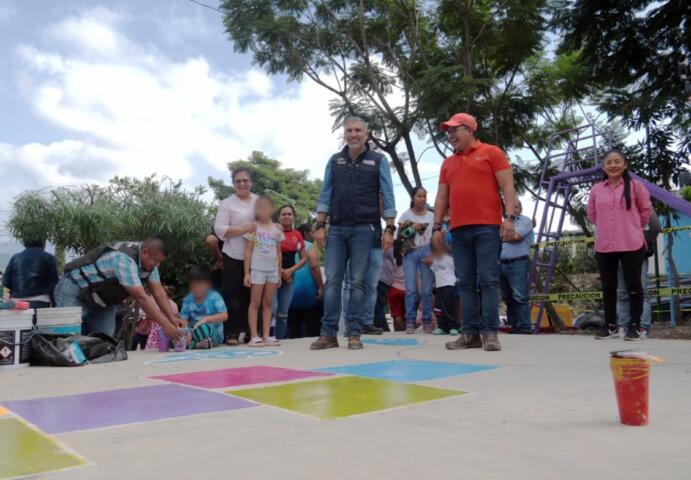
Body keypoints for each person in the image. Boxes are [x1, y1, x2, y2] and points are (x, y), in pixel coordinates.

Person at [433, 112, 518, 352]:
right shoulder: (448, 163)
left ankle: (490, 333)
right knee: (465, 282)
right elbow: (441, 196)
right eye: (448, 131)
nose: (450, 135)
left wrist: (509, 218)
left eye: (454, 130)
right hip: (458, 229)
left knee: (489, 280)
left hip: (487, 226)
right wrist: (437, 227)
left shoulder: (492, 153)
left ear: (469, 129)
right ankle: (469, 334)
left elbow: (508, 186)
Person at [311, 116, 396, 350]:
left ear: (366, 134)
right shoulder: (335, 160)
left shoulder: (379, 160)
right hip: (337, 228)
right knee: (332, 282)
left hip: (365, 229)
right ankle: (328, 334)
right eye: (349, 130)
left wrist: (389, 228)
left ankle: (355, 333)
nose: (354, 134)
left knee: (358, 283)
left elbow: (388, 194)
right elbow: (325, 192)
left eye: (358, 130)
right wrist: (320, 225)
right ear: (344, 134)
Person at [54, 237, 181, 341]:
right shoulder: (124, 259)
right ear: (145, 252)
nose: (157, 265)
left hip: (101, 299)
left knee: (105, 340)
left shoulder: (149, 264)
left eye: (160, 262)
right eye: (156, 260)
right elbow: (141, 297)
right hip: (74, 289)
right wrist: (164, 324)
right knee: (68, 339)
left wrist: (172, 318)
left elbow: (158, 292)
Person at [587, 149, 652, 341]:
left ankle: (635, 327)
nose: (613, 165)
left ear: (625, 164)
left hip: (631, 243)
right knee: (608, 287)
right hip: (605, 245)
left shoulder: (636, 187)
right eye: (609, 162)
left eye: (617, 162)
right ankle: (610, 326)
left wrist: (630, 227)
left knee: (634, 286)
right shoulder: (597, 189)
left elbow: (645, 211)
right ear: (603, 166)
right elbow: (592, 214)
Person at [214, 168, 258, 345]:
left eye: (245, 180)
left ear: (251, 182)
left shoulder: (258, 201)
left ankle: (251, 332)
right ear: (233, 184)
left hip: (257, 256)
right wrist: (243, 229)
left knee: (253, 296)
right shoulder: (227, 203)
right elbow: (219, 229)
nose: (242, 183)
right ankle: (232, 333)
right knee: (233, 295)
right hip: (232, 255)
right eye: (238, 181)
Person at [243, 195, 284, 347]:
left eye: (267, 207)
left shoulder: (277, 229)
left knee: (268, 304)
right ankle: (254, 335)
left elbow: (279, 252)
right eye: (260, 207)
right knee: (255, 302)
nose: (263, 210)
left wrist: (279, 273)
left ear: (272, 209)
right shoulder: (253, 227)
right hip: (257, 270)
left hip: (272, 271)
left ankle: (266, 335)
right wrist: (247, 273)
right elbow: (247, 251)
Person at [617, 210, 660, 339]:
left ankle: (631, 327)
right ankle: (638, 328)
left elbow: (655, 225)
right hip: (628, 251)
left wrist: (647, 242)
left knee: (625, 292)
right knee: (632, 292)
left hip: (627, 250)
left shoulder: (640, 201)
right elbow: (656, 226)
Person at [399, 187, 435, 334]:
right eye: (419, 196)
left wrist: (433, 254)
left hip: (426, 250)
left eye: (424, 196)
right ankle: (410, 321)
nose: (422, 199)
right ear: (413, 198)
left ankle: (427, 320)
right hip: (411, 253)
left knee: (427, 290)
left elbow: (436, 236)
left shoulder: (432, 216)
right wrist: (408, 239)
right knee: (410, 289)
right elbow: (399, 235)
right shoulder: (405, 215)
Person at [498, 200, 534, 334]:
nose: (514, 209)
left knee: (519, 296)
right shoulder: (502, 223)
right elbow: (508, 236)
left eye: (517, 206)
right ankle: (514, 326)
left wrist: (500, 236)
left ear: (521, 209)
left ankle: (524, 327)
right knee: (507, 297)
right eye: (511, 206)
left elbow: (516, 236)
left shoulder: (525, 221)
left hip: (517, 263)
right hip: (501, 263)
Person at [274, 205, 307, 339]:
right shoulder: (272, 231)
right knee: (270, 311)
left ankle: (280, 340)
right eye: (283, 214)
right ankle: (260, 337)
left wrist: (290, 271)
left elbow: (304, 258)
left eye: (289, 214)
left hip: (289, 277)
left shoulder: (297, 235)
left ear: (293, 216)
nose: (286, 216)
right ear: (279, 217)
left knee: (282, 313)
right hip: (271, 275)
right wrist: (280, 271)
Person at [288, 224, 324, 338]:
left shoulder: (287, 245)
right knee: (313, 331)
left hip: (290, 293)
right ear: (306, 234)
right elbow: (314, 267)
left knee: (293, 331)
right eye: (313, 232)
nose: (315, 235)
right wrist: (321, 287)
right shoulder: (310, 246)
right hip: (309, 295)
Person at [179, 266, 228, 349]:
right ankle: (197, 345)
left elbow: (224, 315)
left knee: (204, 328)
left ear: (207, 285)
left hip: (211, 332)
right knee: (176, 333)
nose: (196, 289)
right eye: (193, 286)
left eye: (199, 286)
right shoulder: (188, 300)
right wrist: (186, 331)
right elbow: (184, 320)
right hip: (193, 332)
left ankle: (193, 344)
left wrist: (206, 319)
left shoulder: (215, 297)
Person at [2, 238, 59, 309]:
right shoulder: (49, 257)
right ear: (44, 244)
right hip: (40, 300)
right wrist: (54, 303)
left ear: (25, 244)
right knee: (38, 320)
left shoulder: (15, 258)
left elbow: (6, 282)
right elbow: (54, 283)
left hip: (17, 301)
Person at [426, 243, 459, 335]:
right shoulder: (436, 259)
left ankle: (453, 326)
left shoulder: (449, 258)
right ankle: (441, 326)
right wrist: (429, 263)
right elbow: (434, 269)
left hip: (449, 284)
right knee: (438, 307)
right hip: (439, 286)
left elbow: (455, 269)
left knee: (449, 306)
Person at [373, 248, 396, 332]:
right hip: (379, 278)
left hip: (383, 279)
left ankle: (384, 329)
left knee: (376, 306)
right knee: (376, 306)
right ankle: (384, 329)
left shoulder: (390, 244)